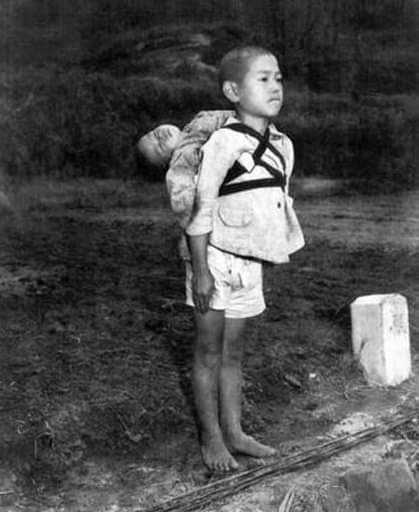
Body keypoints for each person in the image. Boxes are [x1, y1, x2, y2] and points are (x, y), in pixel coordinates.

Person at [184, 46, 304, 472]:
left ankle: (234, 432)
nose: (275, 87)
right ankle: (211, 437)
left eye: (279, 78)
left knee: (233, 354)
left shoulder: (283, 146)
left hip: (248, 265)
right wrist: (201, 271)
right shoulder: (224, 142)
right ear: (233, 91)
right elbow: (201, 209)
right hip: (213, 261)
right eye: (263, 79)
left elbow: (274, 205)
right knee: (209, 352)